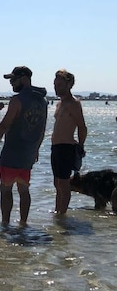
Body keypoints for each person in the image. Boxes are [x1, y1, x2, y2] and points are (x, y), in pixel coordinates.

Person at [0, 66, 48, 226]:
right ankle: (23, 224)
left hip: (12, 153)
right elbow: (42, 129)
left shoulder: (17, 100)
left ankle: (5, 224)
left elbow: (4, 126)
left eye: (13, 79)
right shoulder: (42, 101)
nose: (11, 83)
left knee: (6, 190)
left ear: (24, 78)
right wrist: (36, 149)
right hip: (28, 155)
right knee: (24, 190)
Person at [50, 69, 87, 215]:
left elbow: (82, 127)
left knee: (64, 184)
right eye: (55, 84)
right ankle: (57, 212)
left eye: (59, 84)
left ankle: (62, 216)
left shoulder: (74, 104)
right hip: (55, 147)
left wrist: (81, 145)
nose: (56, 87)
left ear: (69, 84)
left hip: (66, 147)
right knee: (57, 183)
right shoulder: (59, 104)